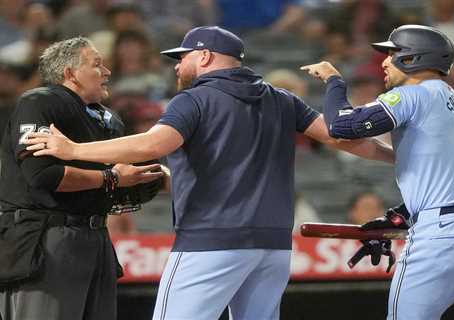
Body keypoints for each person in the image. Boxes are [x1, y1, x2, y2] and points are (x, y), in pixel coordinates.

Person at [24, 26, 394, 320]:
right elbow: (340, 138)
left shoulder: (194, 98)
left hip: (211, 239)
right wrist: (398, 158)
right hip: (274, 246)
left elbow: (154, 145)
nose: (176, 65)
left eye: (181, 57)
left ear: (204, 56)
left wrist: (72, 150)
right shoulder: (283, 99)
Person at [301, 24, 454, 319]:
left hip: (442, 233)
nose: (384, 61)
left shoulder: (415, 95)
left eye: (392, 53)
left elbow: (343, 127)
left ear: (412, 58)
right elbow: (448, 172)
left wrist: (333, 80)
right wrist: (400, 215)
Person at [0, 37, 164, 320]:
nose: (107, 72)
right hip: (46, 239)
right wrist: (112, 179)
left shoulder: (108, 118)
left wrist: (140, 181)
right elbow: (43, 176)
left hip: (96, 237)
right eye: (96, 64)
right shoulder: (39, 102)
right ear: (70, 73)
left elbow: (116, 181)